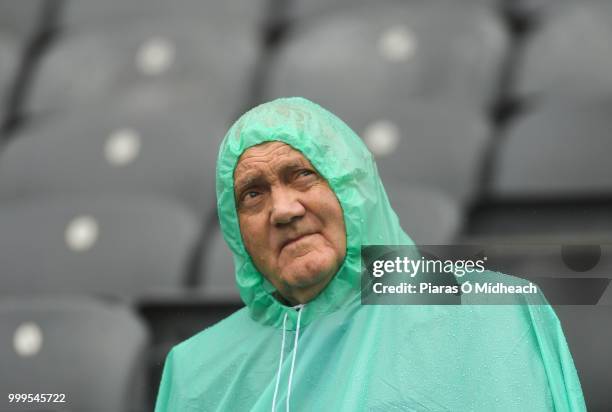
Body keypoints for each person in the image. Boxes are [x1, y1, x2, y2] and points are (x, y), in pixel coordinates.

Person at [155, 97, 586, 411]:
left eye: (302, 175)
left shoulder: (487, 316)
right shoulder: (195, 373)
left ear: (353, 188)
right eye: (253, 193)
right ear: (235, 228)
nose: (283, 210)